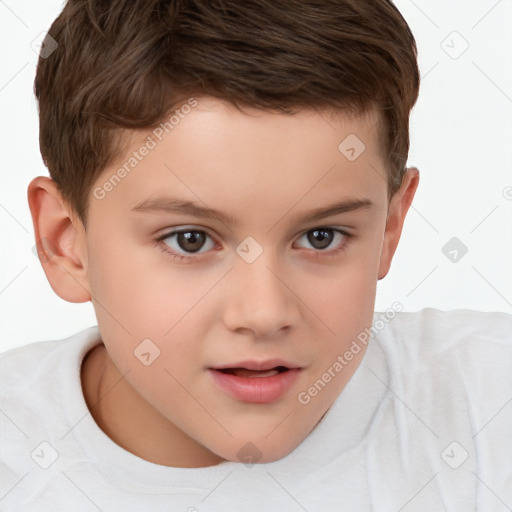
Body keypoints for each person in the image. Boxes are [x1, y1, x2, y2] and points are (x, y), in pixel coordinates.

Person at [1, 0, 511, 510]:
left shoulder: (489, 406)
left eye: (321, 237)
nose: (264, 314)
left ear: (390, 228)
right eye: (190, 240)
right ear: (65, 243)